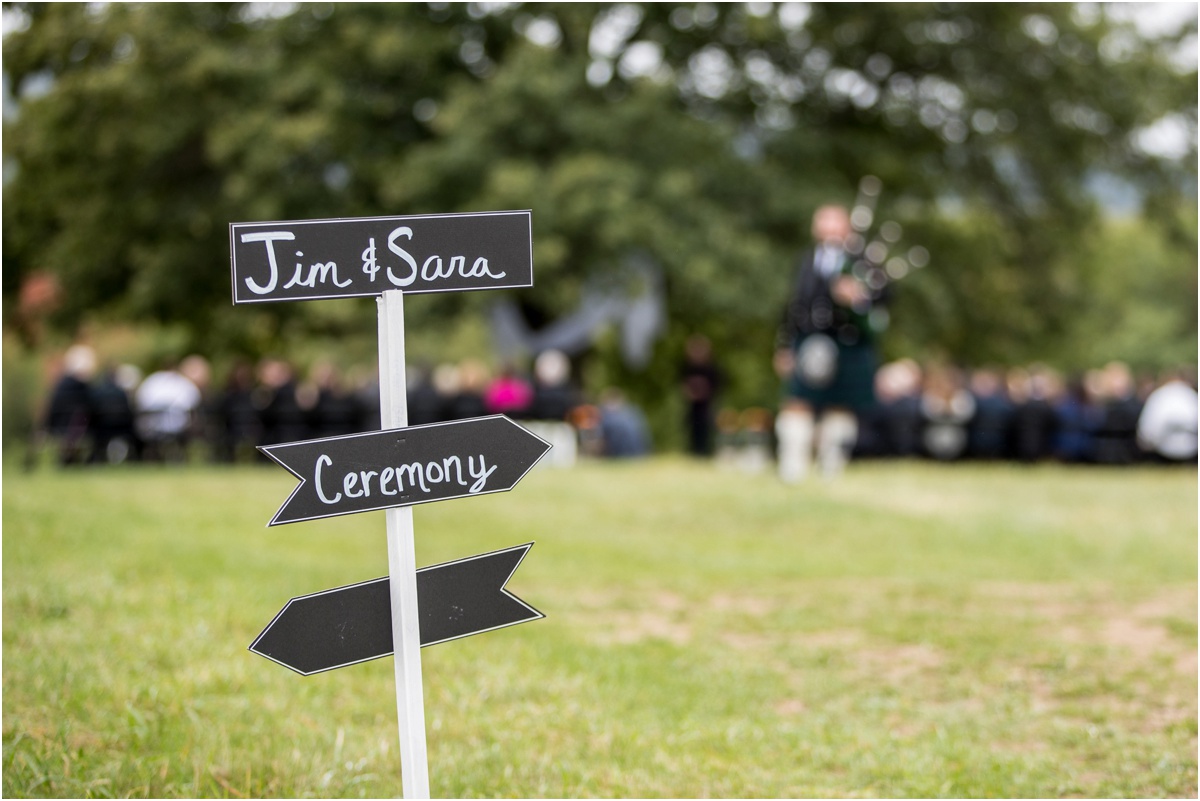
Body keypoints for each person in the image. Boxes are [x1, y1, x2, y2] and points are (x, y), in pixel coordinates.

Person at [773, 204, 885, 480]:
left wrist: (860, 295)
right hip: (810, 338)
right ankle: (793, 466)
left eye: (835, 222)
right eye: (824, 222)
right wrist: (785, 345)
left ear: (847, 227)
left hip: (850, 341)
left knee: (841, 404)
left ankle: (832, 465)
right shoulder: (807, 259)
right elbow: (794, 304)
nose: (830, 228)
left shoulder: (865, 260)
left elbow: (886, 297)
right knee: (798, 400)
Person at [680, 334, 722, 457]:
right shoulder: (687, 368)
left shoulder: (711, 369)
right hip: (692, 407)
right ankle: (693, 452)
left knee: (706, 430)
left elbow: (716, 386)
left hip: (707, 406)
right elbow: (683, 386)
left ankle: (705, 452)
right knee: (692, 429)